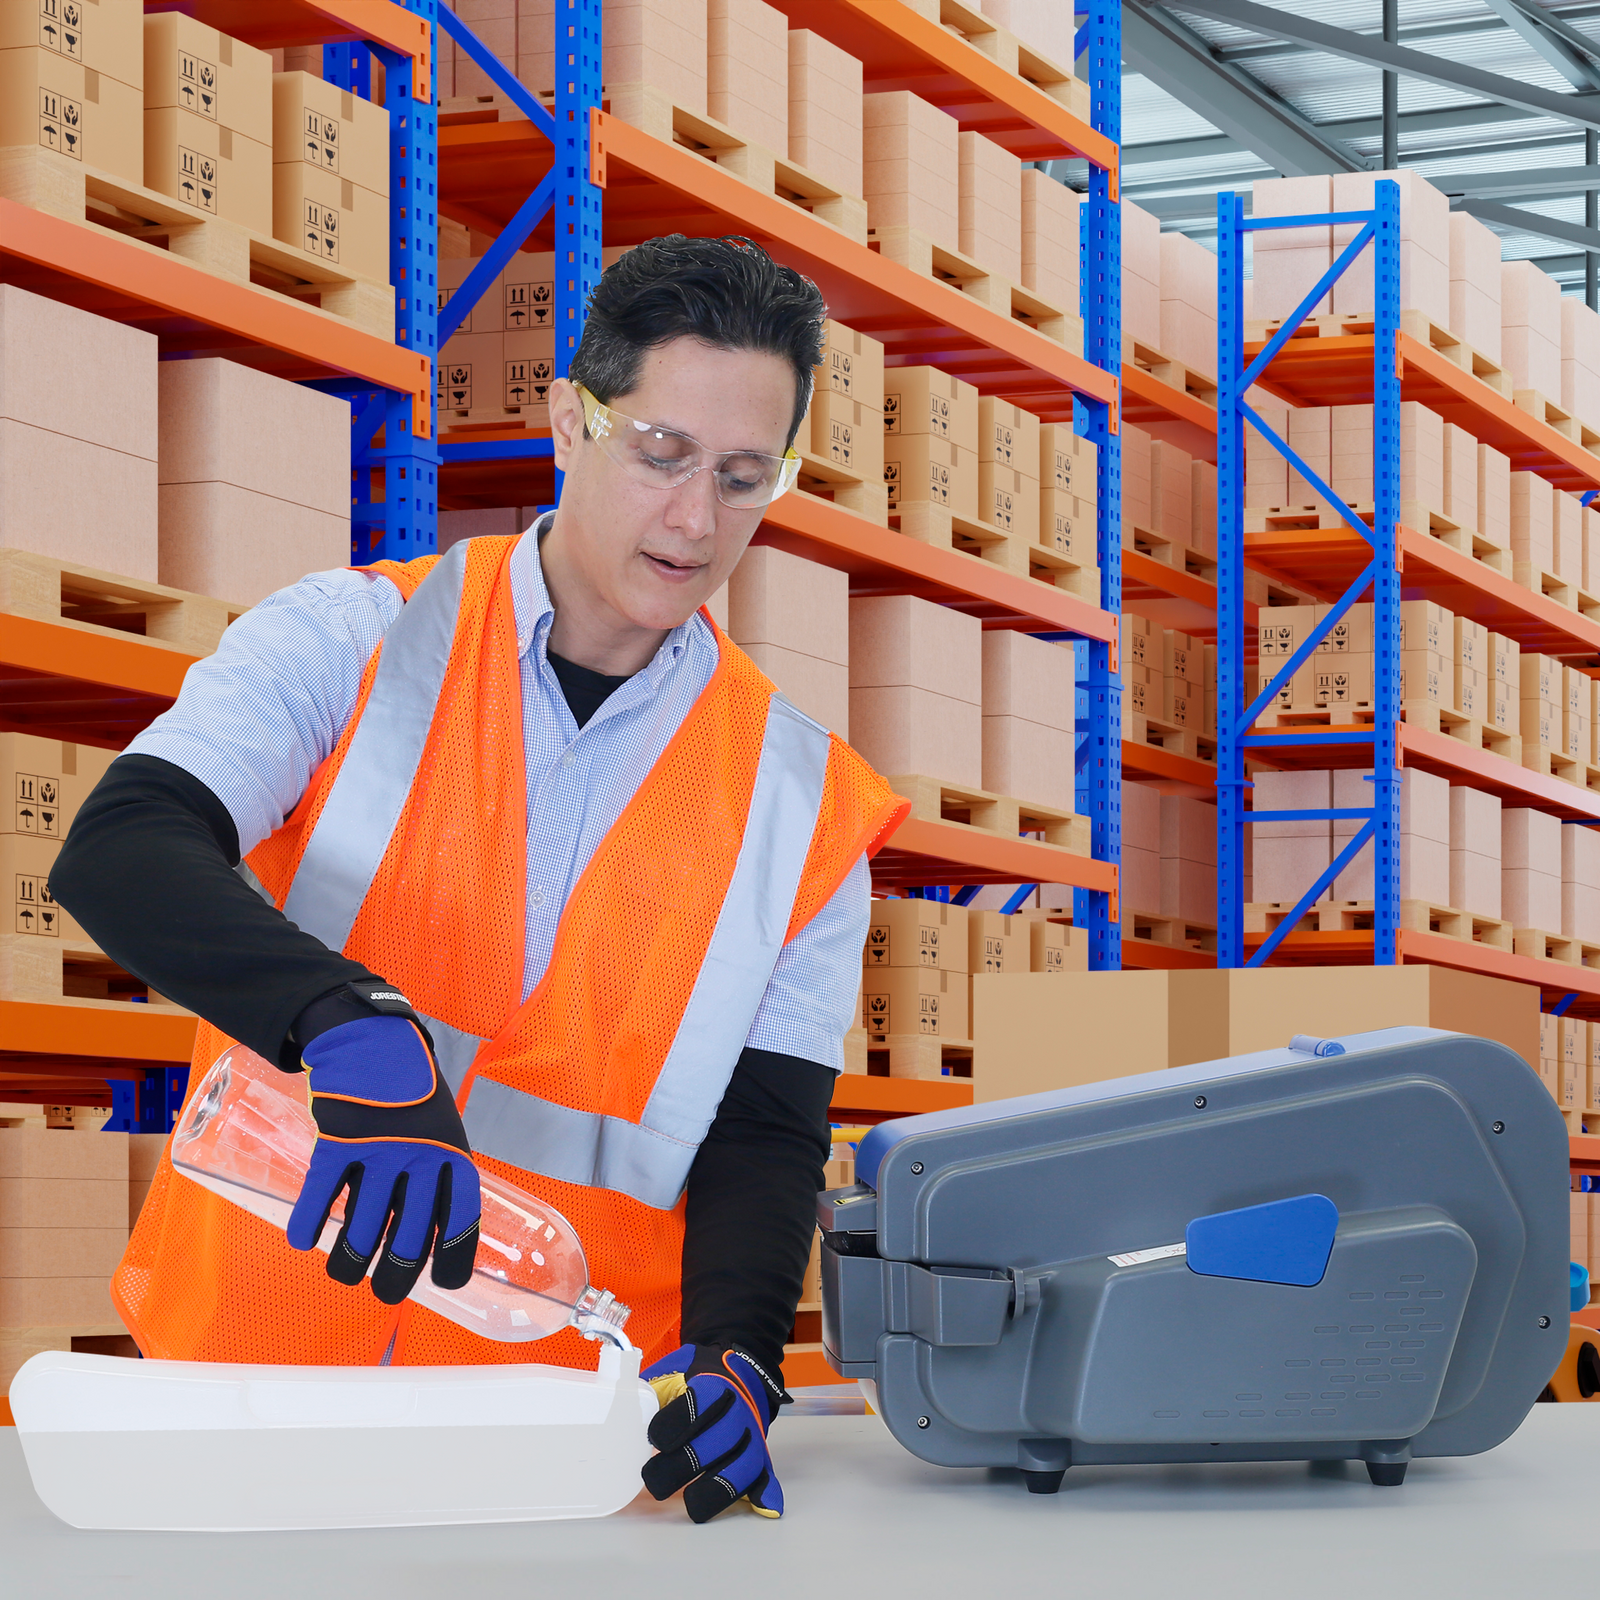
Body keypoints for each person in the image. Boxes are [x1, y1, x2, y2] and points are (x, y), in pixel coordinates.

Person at [51, 235, 907, 1524]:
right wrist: (343, 1021)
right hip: (255, 1387)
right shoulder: (355, 635)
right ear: (571, 417)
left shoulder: (805, 800)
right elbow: (123, 845)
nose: (695, 521)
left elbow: (766, 1132)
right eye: (661, 455)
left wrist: (739, 1350)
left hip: (556, 1437)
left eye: (743, 478)